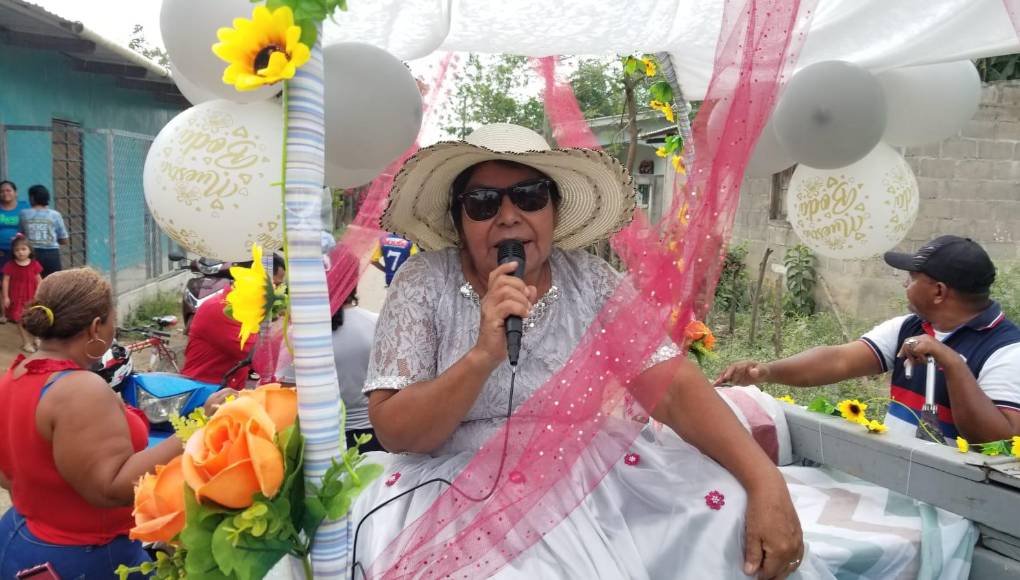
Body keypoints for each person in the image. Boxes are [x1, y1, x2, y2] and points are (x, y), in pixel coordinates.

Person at [350, 124, 823, 579]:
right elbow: (396, 431)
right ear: (459, 220)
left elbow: (672, 388)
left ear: (553, 211)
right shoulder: (423, 282)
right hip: (454, 492)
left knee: (728, 519)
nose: (508, 216)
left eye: (530, 197)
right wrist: (481, 357)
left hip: (589, 477)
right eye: (483, 203)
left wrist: (764, 479)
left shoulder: (592, 281)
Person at [717, 235, 1020, 443]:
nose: (905, 284)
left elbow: (1000, 439)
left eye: (912, 279)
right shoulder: (909, 328)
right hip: (900, 479)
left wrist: (952, 364)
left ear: (939, 291)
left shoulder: (1006, 350)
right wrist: (768, 371)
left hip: (959, 502)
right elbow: (838, 360)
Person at [0, 269, 182, 578]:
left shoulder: (16, 374)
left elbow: (8, 475)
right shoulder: (79, 389)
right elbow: (111, 489)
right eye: (113, 321)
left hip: (23, 536)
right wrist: (195, 433)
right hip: (86, 557)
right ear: (96, 327)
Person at [279, 289, 383, 452]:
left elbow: (287, 394)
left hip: (321, 440)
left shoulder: (299, 334)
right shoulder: (378, 323)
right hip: (377, 434)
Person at [181, 252, 286, 389]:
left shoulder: (250, 307)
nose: (277, 292)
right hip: (204, 391)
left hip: (231, 389)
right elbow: (261, 358)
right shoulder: (220, 309)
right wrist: (283, 325)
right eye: (275, 285)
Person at [3, 235, 43, 352]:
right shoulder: (10, 265)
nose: (20, 252)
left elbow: (39, 280)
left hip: (32, 297)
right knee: (19, 319)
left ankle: (37, 338)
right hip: (17, 298)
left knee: (34, 319)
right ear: (13, 252)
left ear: (30, 250)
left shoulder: (35, 264)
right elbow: (5, 281)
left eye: (23, 249)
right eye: (17, 250)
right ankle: (26, 343)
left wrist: (41, 293)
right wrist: (6, 297)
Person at [19, 185, 68, 278]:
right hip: (52, 255)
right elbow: (64, 239)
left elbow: (21, 234)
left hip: (31, 254)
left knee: (33, 281)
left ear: (32, 198)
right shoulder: (55, 214)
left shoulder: (24, 213)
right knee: (53, 281)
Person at [0, 180, 28, 275]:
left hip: (21, 252)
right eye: (2, 191)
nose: (5, 193)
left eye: (8, 190)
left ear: (16, 193)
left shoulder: (24, 207)